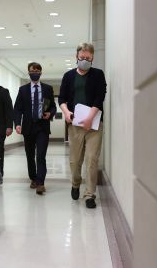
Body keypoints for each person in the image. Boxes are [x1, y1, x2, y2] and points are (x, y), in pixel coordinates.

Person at [58, 43, 107, 209]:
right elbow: (62, 99)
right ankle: (75, 182)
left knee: (92, 159)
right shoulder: (68, 76)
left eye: (88, 58)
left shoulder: (98, 75)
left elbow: (99, 98)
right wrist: (66, 113)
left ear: (92, 57)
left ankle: (90, 195)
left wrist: (90, 118)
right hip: (75, 124)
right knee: (75, 160)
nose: (84, 60)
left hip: (94, 124)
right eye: (82, 57)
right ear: (76, 57)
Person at [14, 62, 56, 195]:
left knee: (41, 155)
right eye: (33, 70)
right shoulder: (23, 89)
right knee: (30, 155)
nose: (35, 72)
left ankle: (41, 183)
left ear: (41, 72)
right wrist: (18, 124)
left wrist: (50, 113)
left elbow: (53, 106)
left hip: (42, 127)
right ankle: (33, 178)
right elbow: (17, 108)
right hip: (28, 127)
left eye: (38, 70)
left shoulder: (48, 88)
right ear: (29, 72)